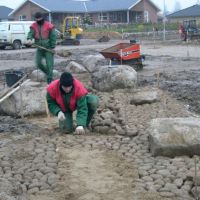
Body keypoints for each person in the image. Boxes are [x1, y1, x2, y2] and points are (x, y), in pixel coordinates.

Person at [27, 12, 57, 84]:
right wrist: (29, 38)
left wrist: (52, 46)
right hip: (39, 48)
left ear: (42, 18)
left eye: (40, 18)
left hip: (48, 48)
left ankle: (49, 79)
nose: (38, 20)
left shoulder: (49, 25)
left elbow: (53, 36)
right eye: (37, 19)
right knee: (38, 63)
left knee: (49, 64)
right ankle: (49, 74)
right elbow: (31, 33)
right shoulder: (33, 26)